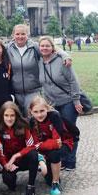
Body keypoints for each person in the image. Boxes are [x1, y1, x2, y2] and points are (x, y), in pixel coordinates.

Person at [4, 24, 70, 116]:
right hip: (15, 93)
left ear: (27, 35)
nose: (20, 36)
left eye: (23, 34)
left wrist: (65, 56)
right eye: (17, 34)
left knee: (33, 119)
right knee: (18, 123)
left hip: (33, 91)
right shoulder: (8, 48)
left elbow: (54, 49)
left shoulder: (35, 47)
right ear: (13, 35)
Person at [38, 36, 83, 170]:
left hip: (68, 101)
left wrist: (76, 100)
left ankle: (70, 161)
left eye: (47, 46)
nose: (44, 48)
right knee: (58, 132)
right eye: (42, 46)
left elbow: (73, 81)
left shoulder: (62, 61)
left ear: (53, 48)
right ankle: (61, 159)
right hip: (52, 104)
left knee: (70, 131)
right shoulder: (39, 62)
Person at [28, 96, 77, 195]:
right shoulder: (32, 122)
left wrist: (42, 145)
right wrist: (42, 147)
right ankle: (49, 173)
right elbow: (35, 144)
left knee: (54, 154)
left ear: (47, 109)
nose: (39, 114)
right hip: (47, 146)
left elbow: (57, 142)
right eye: (36, 112)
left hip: (65, 142)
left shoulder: (54, 117)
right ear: (31, 112)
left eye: (42, 111)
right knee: (47, 178)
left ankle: (56, 183)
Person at [0, 101, 38, 195]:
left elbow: (31, 146)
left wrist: (16, 156)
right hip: (9, 163)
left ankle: (31, 187)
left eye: (12, 115)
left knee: (33, 155)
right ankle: (12, 181)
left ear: (16, 115)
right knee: (8, 181)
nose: (9, 118)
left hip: (23, 159)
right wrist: (5, 164)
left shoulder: (24, 125)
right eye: (6, 115)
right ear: (2, 116)